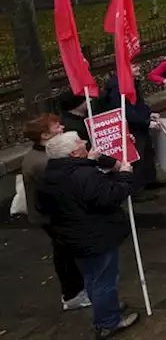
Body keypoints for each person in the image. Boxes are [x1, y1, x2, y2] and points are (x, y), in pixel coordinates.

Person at [37, 132, 139, 337]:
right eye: (80, 142)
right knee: (104, 280)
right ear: (74, 153)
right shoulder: (84, 175)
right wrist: (125, 176)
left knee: (92, 278)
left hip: (72, 237)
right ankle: (108, 322)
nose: (85, 142)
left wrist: (91, 162)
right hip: (96, 236)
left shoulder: (49, 176)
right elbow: (109, 197)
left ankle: (106, 309)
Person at [21, 115, 88, 312]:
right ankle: (72, 294)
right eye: (56, 126)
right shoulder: (42, 162)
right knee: (66, 254)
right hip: (52, 216)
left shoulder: (41, 156)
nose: (62, 127)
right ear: (45, 135)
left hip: (54, 214)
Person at [101, 63, 160, 195]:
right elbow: (124, 110)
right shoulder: (118, 87)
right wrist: (144, 122)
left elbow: (138, 103)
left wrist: (148, 114)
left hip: (139, 124)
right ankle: (136, 189)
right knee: (137, 157)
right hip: (131, 127)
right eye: (134, 66)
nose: (138, 67)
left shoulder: (131, 82)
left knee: (147, 152)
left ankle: (150, 179)